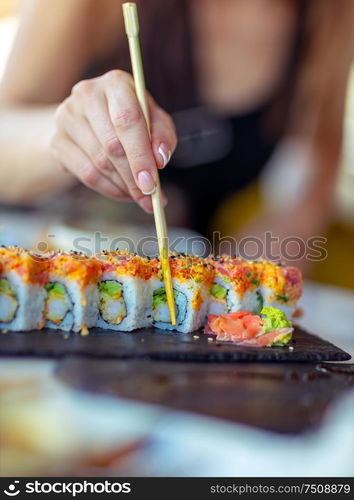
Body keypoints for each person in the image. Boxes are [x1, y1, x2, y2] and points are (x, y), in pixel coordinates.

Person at [0, 0, 353, 265]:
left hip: (175, 296)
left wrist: (232, 290)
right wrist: (61, 135)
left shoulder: (329, 14)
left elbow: (306, 193)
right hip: (37, 263)